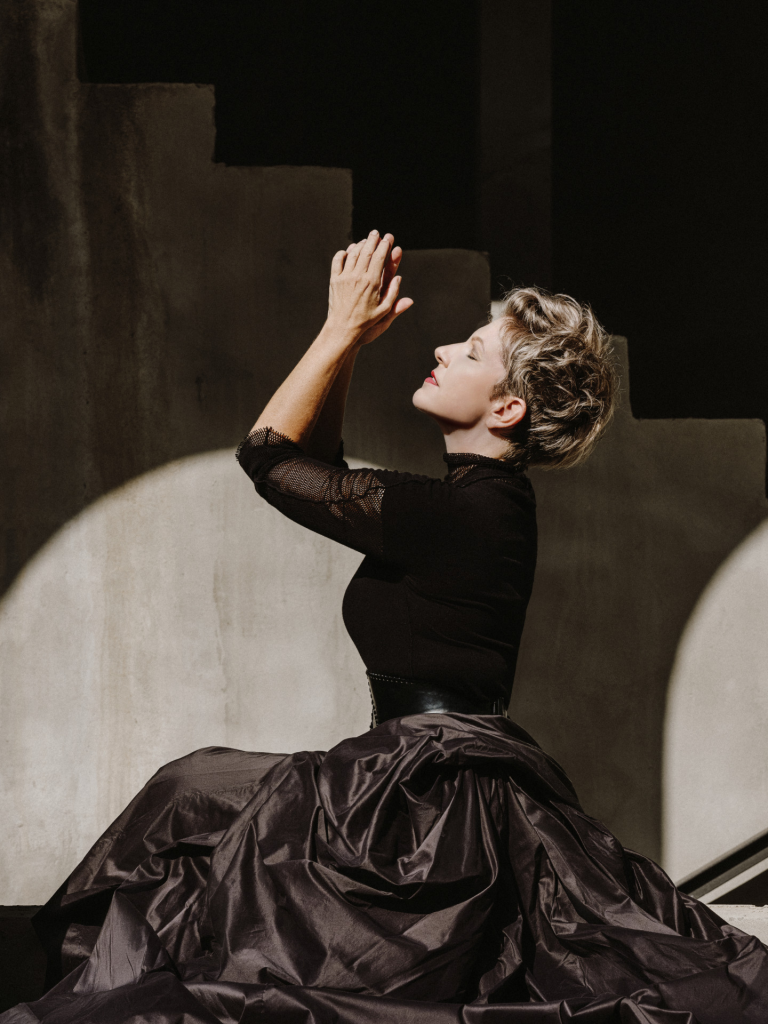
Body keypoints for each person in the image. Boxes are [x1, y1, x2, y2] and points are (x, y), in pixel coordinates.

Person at [6, 232, 768, 1024]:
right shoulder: (477, 503)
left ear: (507, 408)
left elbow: (270, 459)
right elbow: (319, 465)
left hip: (427, 803)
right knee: (195, 799)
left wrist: (340, 328)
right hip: (423, 779)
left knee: (191, 801)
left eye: (471, 352)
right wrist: (349, 347)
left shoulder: (462, 512)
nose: (442, 349)